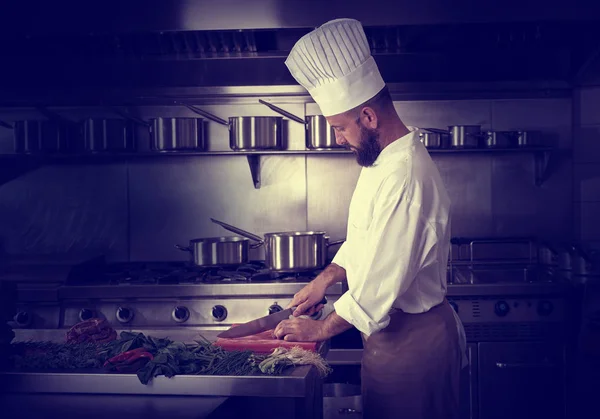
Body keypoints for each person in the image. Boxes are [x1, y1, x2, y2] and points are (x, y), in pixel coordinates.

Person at [272, 18, 468, 419]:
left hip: (414, 347)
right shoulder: (381, 163)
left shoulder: (407, 175)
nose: (338, 139)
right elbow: (366, 240)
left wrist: (320, 328)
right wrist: (325, 278)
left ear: (369, 117)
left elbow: (380, 284)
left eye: (340, 128)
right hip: (387, 341)